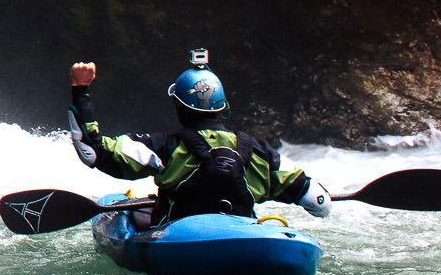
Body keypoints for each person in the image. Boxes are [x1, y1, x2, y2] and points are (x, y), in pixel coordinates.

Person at [66, 51, 331, 224]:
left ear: (179, 106)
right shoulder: (262, 152)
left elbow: (93, 151)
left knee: (130, 210)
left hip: (182, 238)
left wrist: (81, 91)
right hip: (246, 238)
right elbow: (318, 201)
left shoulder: (164, 147)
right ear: (222, 106)